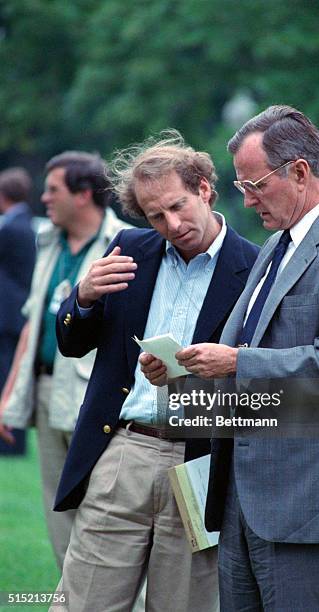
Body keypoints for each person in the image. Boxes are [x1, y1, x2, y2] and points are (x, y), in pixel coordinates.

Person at [172, 105, 319, 611]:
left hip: (312, 501)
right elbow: (244, 349)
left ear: (299, 171)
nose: (247, 201)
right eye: (241, 186)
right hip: (240, 498)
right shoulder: (275, 245)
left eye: (255, 186)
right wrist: (182, 369)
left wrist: (235, 362)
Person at [51, 132, 259, 612]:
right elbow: (71, 342)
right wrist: (83, 298)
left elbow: (265, 380)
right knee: (83, 604)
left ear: (205, 188)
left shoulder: (255, 266)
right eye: (155, 216)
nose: (171, 224)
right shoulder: (130, 248)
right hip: (122, 451)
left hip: (202, 461)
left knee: (183, 605)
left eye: (178, 206)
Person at [0, 152, 131, 570]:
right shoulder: (48, 242)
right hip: (43, 390)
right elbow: (30, 325)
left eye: (53, 190)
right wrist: (8, 397)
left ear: (83, 194)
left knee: (105, 525)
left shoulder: (127, 243)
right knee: (59, 518)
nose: (44, 198)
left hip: (93, 401)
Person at [0, 168, 36, 455]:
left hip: (8, 314)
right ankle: (15, 442)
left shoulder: (11, 227)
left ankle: (9, 442)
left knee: (7, 376)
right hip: (17, 312)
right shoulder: (25, 224)